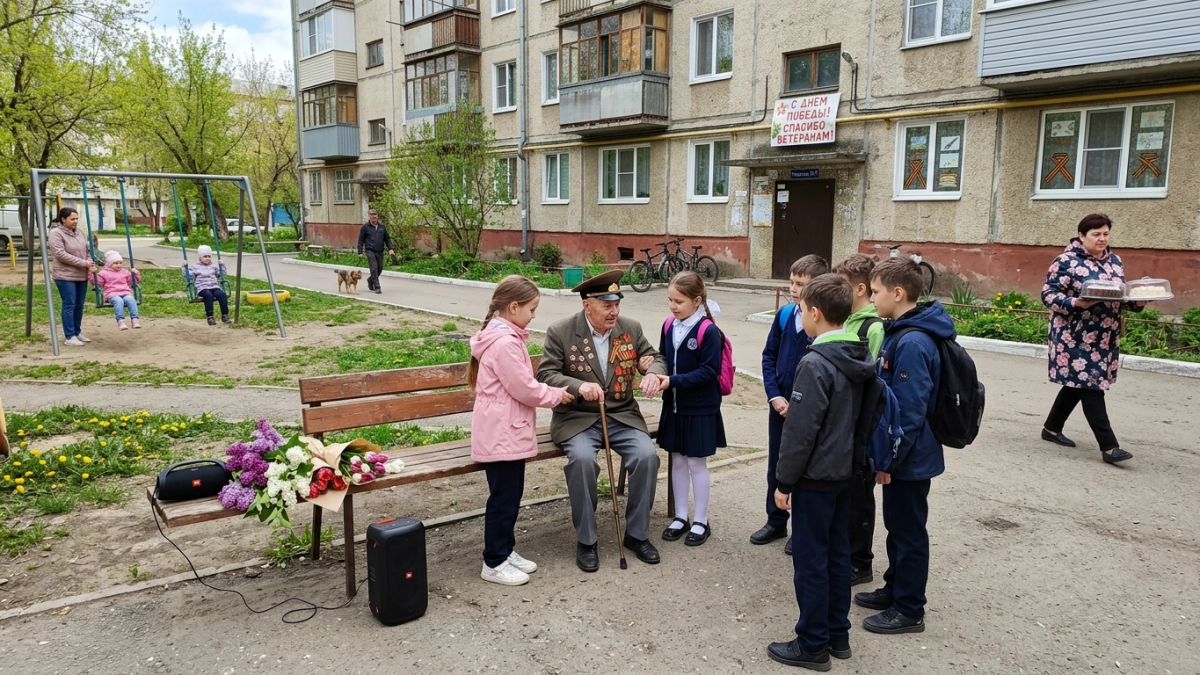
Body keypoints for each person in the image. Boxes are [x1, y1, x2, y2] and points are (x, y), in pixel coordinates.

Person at [767, 274, 876, 670]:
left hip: (815, 478)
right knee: (836, 556)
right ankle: (837, 634)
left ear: (814, 313)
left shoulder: (814, 363)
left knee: (811, 561)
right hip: (847, 471)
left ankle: (812, 644)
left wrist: (784, 482)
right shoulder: (859, 354)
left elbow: (799, 431)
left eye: (800, 309)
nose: (799, 314)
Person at [536, 269, 668, 572]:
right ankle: (587, 540)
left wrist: (654, 372)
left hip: (621, 414)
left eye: (617, 303)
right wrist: (577, 386)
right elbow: (546, 374)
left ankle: (637, 535)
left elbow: (652, 356)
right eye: (606, 304)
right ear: (587, 305)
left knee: (647, 457)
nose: (614, 311)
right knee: (582, 461)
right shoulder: (562, 331)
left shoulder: (629, 328)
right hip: (578, 417)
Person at [855, 258, 956, 635]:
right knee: (897, 527)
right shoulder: (903, 330)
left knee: (909, 532)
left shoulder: (913, 342)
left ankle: (910, 608)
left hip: (910, 457)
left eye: (877, 291)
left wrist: (889, 460)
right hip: (906, 454)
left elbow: (908, 413)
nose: (872, 297)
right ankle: (895, 588)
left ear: (898, 294)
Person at [468, 276, 574, 586]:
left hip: (504, 431)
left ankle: (505, 549)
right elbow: (524, 389)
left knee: (510, 495)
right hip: (501, 434)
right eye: (531, 309)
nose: (533, 316)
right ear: (513, 307)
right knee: (503, 498)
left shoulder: (504, 337)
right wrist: (557, 394)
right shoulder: (503, 343)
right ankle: (494, 561)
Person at [1041, 213, 1146, 464]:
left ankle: (1051, 428)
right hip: (1074, 336)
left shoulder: (1114, 261)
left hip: (1104, 337)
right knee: (1091, 387)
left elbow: (1120, 296)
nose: (1102, 239)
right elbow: (1048, 295)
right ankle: (1109, 447)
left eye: (1106, 233)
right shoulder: (1066, 261)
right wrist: (1076, 302)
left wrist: (1138, 301)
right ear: (1081, 236)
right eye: (1096, 234)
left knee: (1077, 385)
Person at [755, 254, 828, 554]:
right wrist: (774, 395)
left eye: (801, 284)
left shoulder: (821, 320)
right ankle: (775, 520)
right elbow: (769, 356)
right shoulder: (785, 316)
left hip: (808, 410)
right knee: (778, 464)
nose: (794, 289)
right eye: (792, 282)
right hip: (780, 407)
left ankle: (801, 530)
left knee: (805, 467)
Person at [656, 271, 726, 547]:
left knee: (696, 462)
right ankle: (680, 516)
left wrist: (672, 381)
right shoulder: (668, 325)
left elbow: (709, 371)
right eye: (670, 300)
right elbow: (662, 357)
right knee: (677, 459)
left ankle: (700, 519)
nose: (673, 306)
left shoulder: (708, 331)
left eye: (679, 301)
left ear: (697, 301)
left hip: (700, 407)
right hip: (673, 406)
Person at [833, 253, 886, 587]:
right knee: (845, 495)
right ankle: (845, 554)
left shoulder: (873, 327)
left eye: (844, 285)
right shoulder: (847, 320)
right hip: (842, 423)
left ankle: (860, 562)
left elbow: (875, 380)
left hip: (861, 425)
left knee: (860, 499)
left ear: (861, 289)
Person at [47, 207, 97, 346]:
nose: (75, 221)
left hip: (81, 274)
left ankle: (77, 331)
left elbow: (86, 250)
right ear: (63, 219)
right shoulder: (55, 234)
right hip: (64, 275)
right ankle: (69, 336)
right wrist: (83, 263)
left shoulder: (80, 232)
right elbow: (60, 254)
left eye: (76, 219)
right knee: (69, 304)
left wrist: (90, 262)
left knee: (79, 305)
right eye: (72, 219)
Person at [95, 251, 142, 330]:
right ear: (110, 264)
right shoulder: (104, 273)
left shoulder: (125, 272)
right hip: (112, 294)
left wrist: (135, 274)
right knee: (118, 301)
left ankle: (135, 320)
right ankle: (121, 321)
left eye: (120, 263)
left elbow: (132, 282)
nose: (119, 265)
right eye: (116, 263)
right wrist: (92, 273)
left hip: (125, 292)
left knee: (131, 299)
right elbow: (98, 283)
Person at [188, 245, 230, 325]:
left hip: (213, 286)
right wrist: (184, 267)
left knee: (222, 294)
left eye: (209, 256)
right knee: (208, 295)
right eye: (205, 256)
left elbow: (221, 274)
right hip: (202, 287)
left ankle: (225, 315)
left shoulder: (213, 266)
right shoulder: (195, 266)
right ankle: (210, 317)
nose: (207, 258)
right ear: (200, 257)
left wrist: (222, 265)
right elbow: (189, 276)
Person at [357, 209, 394, 294]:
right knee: (374, 268)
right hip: (370, 250)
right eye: (371, 214)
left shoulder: (382, 227)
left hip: (380, 251)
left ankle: (370, 280)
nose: (374, 216)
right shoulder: (365, 227)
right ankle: (377, 286)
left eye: (375, 214)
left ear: (377, 216)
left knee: (379, 268)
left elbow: (387, 239)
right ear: (369, 216)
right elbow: (361, 240)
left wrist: (390, 249)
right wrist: (360, 252)